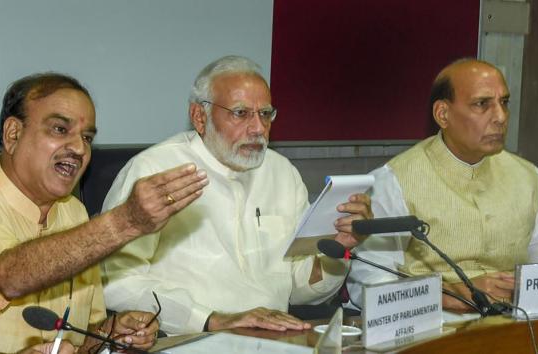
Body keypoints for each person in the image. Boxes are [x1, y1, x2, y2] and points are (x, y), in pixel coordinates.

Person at [0, 73, 208, 353]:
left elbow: (79, 337)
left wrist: (111, 333)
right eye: (59, 129)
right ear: (13, 134)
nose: (80, 149)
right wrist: (125, 221)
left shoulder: (73, 213)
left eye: (87, 137)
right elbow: (9, 277)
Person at [101, 55, 372, 335]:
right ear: (199, 116)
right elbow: (116, 284)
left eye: (265, 114)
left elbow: (302, 290)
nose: (257, 128)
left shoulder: (283, 173)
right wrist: (210, 319)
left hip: (273, 339)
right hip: (186, 341)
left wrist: (337, 249)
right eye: (241, 113)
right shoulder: (154, 170)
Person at [346, 58, 538, 312]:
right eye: (482, 104)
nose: (501, 117)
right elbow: (368, 285)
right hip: (433, 333)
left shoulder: (531, 180)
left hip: (516, 331)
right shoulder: (394, 181)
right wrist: (446, 295)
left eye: (504, 102)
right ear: (443, 114)